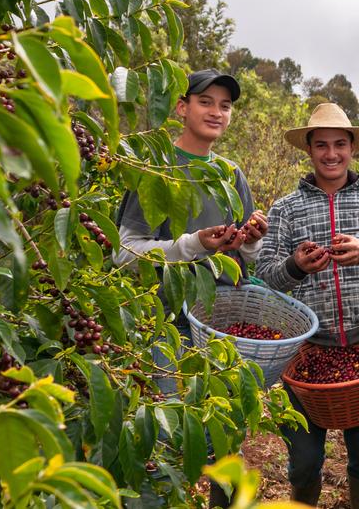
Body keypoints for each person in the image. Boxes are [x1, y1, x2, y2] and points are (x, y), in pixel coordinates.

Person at [114, 68, 267, 508]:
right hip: (165, 324)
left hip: (220, 323)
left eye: (225, 105)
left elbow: (246, 253)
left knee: (225, 433)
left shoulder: (230, 173)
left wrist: (251, 240)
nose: (217, 112)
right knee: (166, 431)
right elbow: (125, 252)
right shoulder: (157, 168)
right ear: (181, 108)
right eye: (205, 102)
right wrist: (194, 244)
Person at [257, 103, 359, 508]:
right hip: (309, 349)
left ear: (351, 149)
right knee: (305, 459)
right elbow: (267, 274)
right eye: (322, 145)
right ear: (309, 149)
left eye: (339, 144)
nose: (331, 154)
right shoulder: (286, 208)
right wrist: (296, 265)